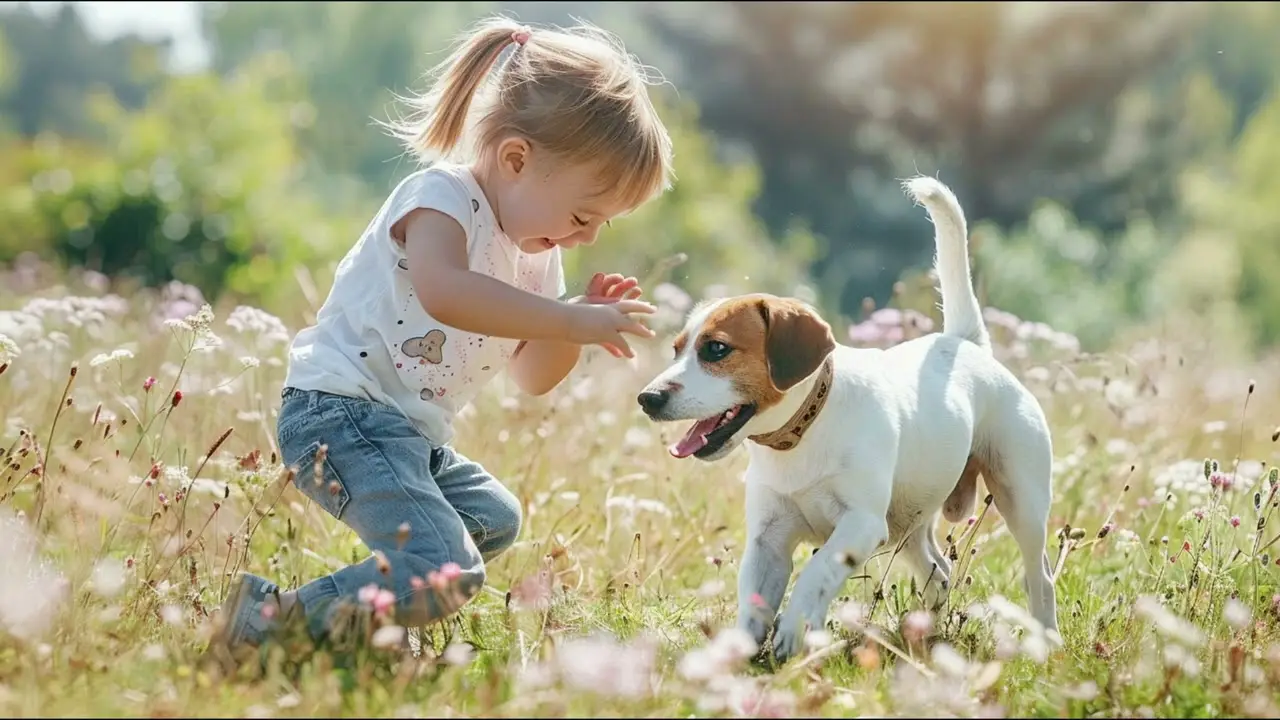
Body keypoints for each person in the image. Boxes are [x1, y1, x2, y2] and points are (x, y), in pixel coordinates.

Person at [209, 14, 674, 660]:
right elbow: (445, 291)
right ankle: (269, 623)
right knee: (446, 567)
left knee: (492, 521)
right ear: (516, 159)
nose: (588, 236)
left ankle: (353, 629)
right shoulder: (441, 200)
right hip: (339, 413)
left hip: (408, 435)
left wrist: (574, 325)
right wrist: (566, 318)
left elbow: (533, 375)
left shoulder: (537, 255)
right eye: (581, 215)